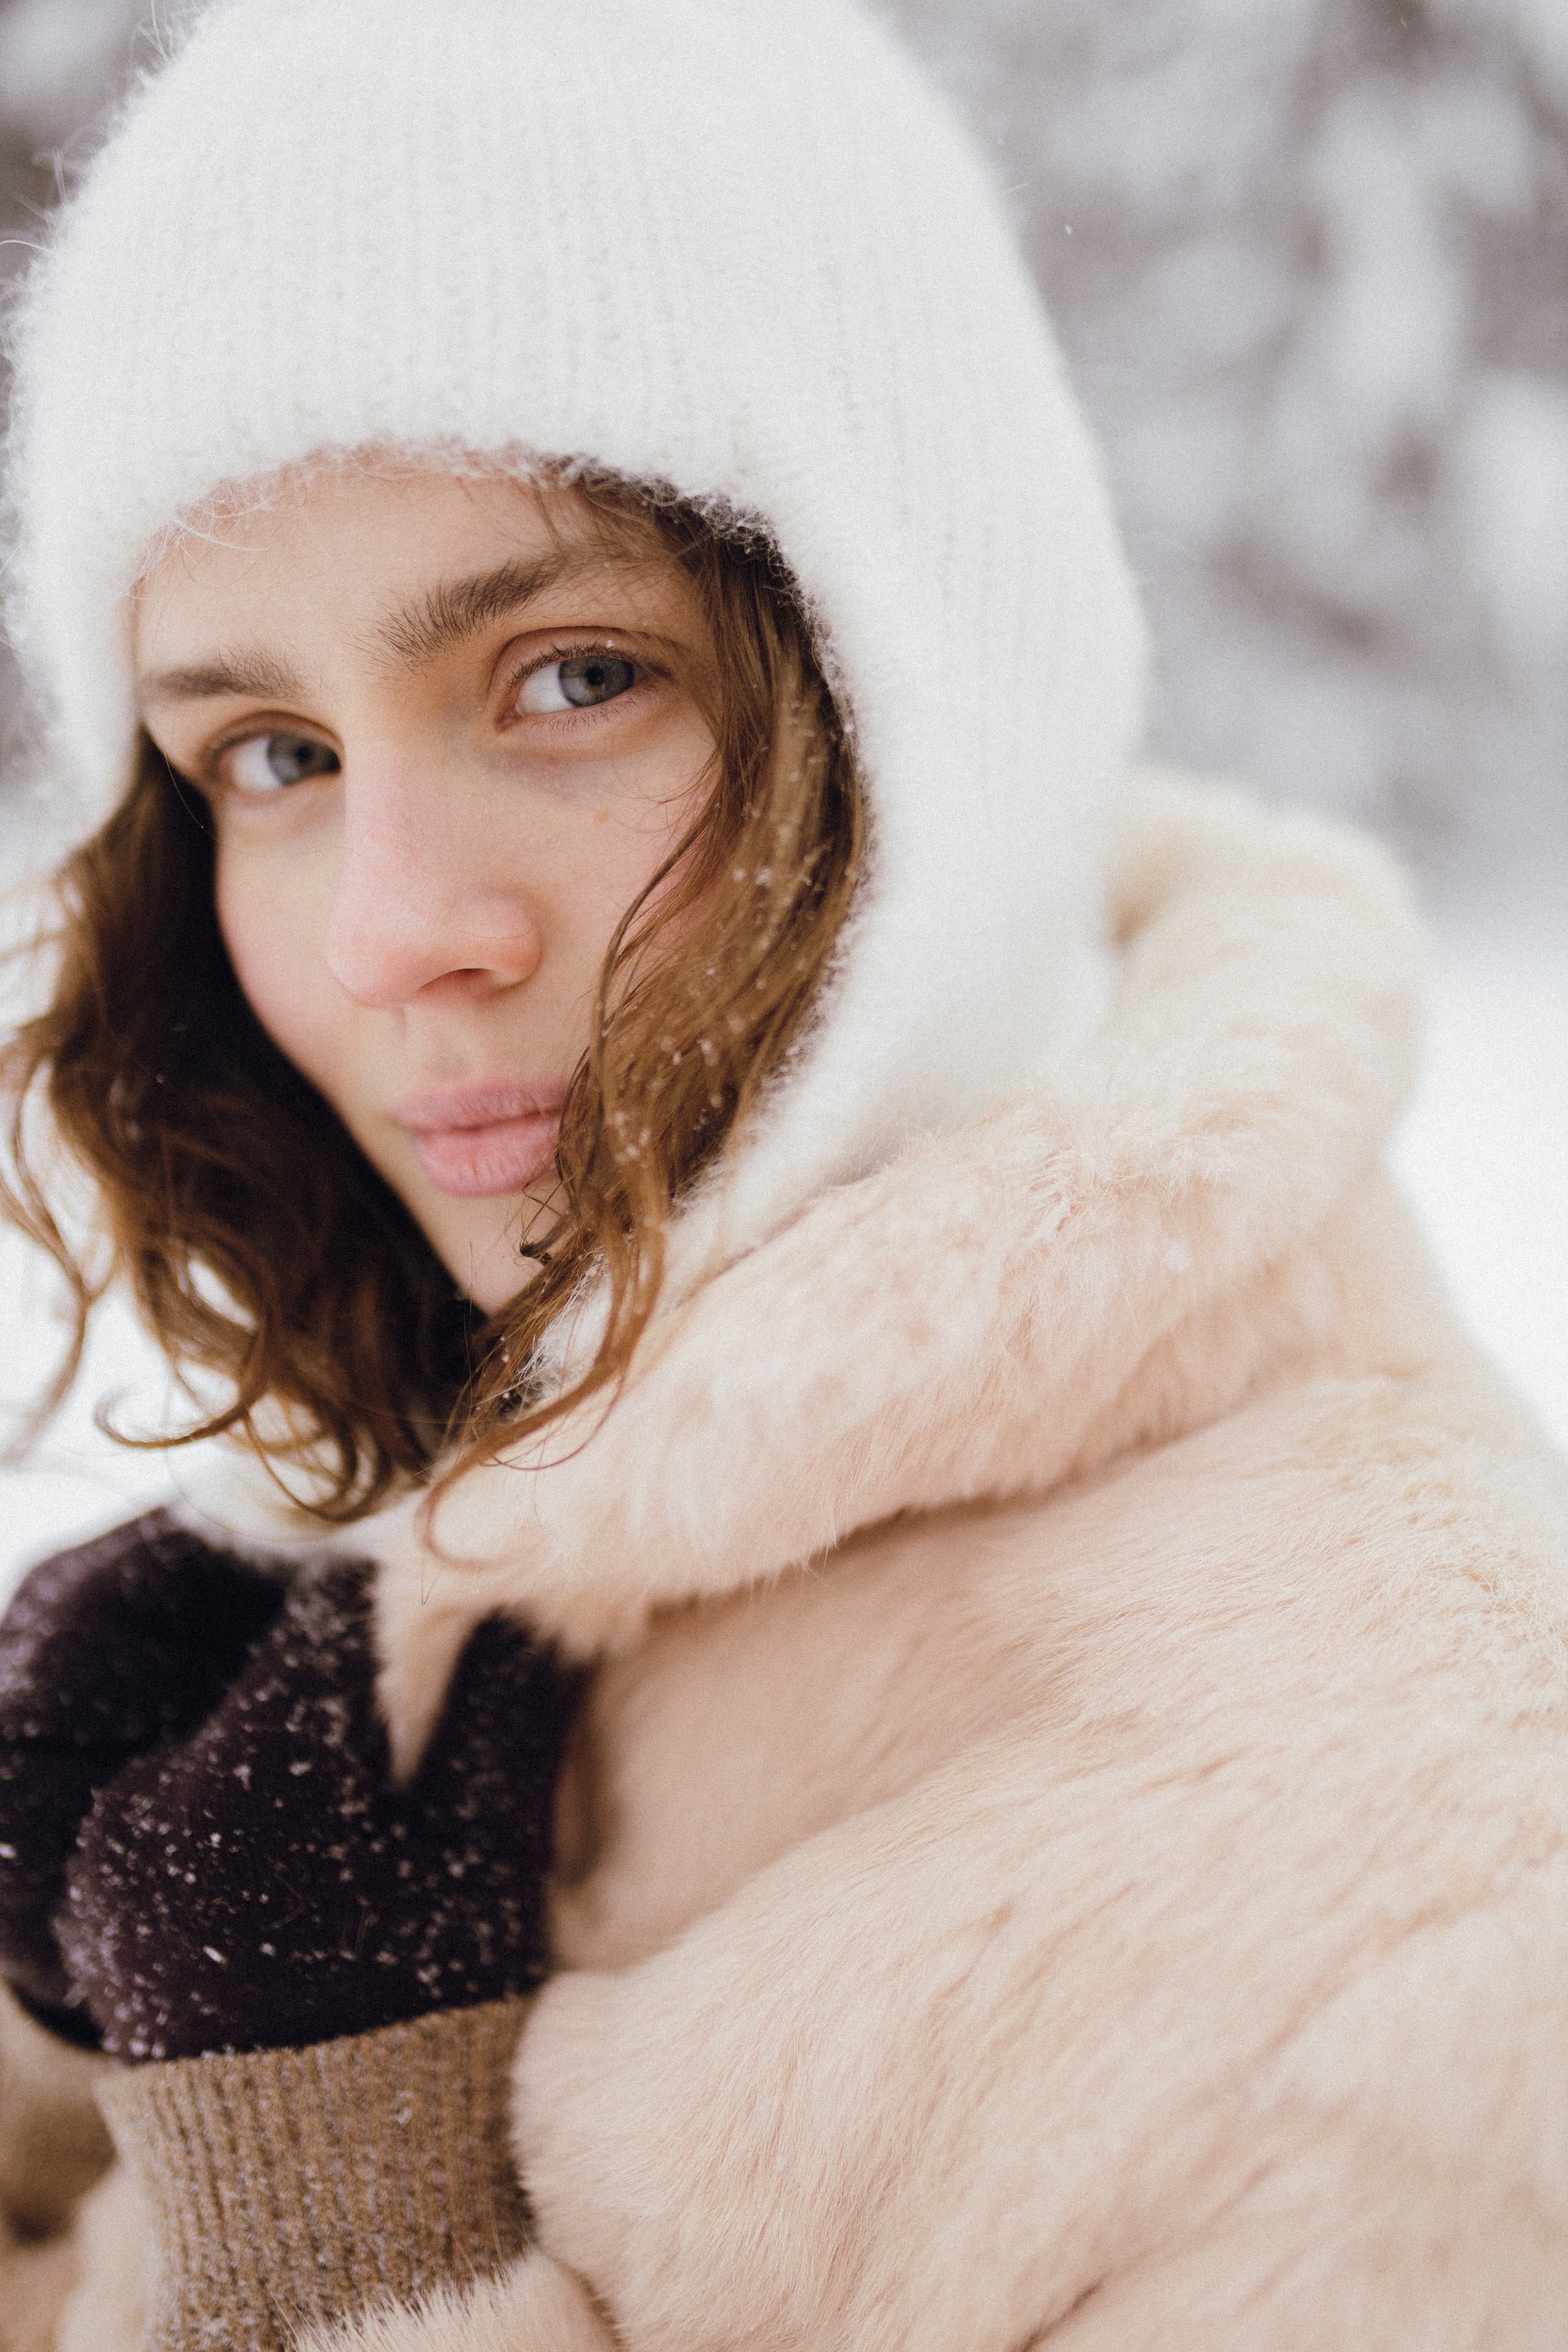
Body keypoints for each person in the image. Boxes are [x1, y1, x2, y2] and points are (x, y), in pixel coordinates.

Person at [1, 2, 1566, 2349]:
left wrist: (344, 2242)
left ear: (926, 688)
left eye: (570, 678)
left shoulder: (1421, 1922)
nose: (388, 927)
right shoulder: (466, 1522)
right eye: (275, 749)